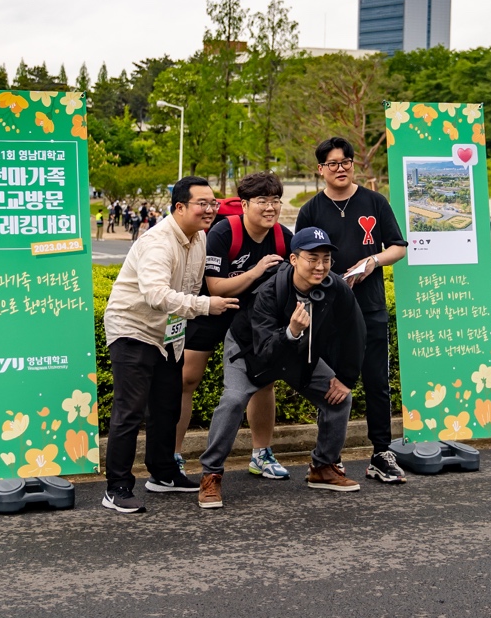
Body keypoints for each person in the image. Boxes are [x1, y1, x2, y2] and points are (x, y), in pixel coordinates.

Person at [197, 226, 366, 508]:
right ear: (294, 259)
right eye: (312, 258)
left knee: (339, 398)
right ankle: (211, 474)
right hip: (249, 350)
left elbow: (355, 332)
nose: (320, 266)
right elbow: (264, 349)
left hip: (298, 353)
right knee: (234, 399)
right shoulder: (269, 290)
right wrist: (291, 331)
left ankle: (323, 468)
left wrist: (346, 378)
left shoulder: (335, 286)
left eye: (326, 259)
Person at [101, 176, 238, 514]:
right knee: (129, 411)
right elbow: (156, 294)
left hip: (169, 334)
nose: (210, 210)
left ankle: (162, 473)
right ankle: (116, 487)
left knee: (167, 406)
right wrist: (207, 306)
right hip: (133, 329)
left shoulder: (200, 237)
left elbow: (190, 286)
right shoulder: (158, 243)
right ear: (179, 207)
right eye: (202, 204)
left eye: (213, 203)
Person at [294, 136, 410, 484]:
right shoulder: (311, 209)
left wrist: (372, 261)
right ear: (321, 170)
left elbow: (399, 247)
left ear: (352, 164)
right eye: (332, 164)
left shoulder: (374, 201)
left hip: (370, 305)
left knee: (376, 380)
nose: (340, 168)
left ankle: (381, 452)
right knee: (330, 382)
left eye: (346, 162)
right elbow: (299, 258)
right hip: (327, 309)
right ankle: (331, 457)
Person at [176, 171, 292, 479]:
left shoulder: (282, 237)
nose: (271, 208)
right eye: (262, 201)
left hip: (253, 318)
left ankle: (261, 454)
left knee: (264, 382)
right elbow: (216, 287)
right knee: (188, 379)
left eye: (276, 201)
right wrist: (255, 271)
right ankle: (172, 454)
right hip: (210, 310)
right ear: (244, 204)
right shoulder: (224, 232)